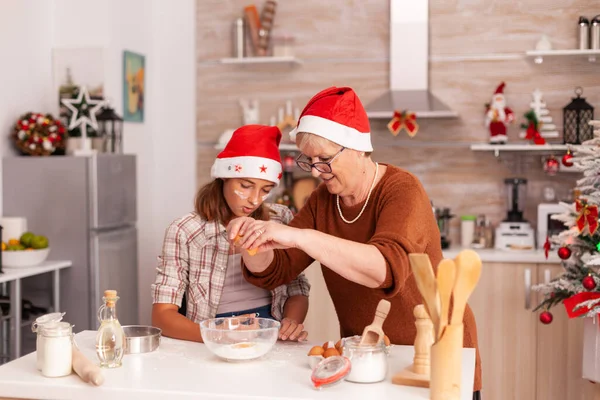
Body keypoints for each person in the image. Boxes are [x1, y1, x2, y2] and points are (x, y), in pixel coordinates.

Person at [227, 87, 482, 398]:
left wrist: (299, 235)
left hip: (432, 352)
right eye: (311, 161)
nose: (318, 171)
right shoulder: (323, 200)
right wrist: (251, 243)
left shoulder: (402, 189)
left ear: (358, 148)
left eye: (325, 159)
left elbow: (384, 269)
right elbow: (279, 268)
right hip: (366, 355)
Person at [151, 125, 311, 343]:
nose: (255, 200)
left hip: (268, 334)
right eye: (246, 185)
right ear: (224, 177)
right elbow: (162, 317)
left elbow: (297, 287)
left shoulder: (279, 220)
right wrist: (220, 334)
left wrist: (291, 321)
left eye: (265, 190)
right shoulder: (184, 231)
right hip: (210, 338)